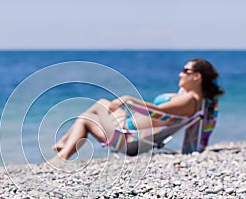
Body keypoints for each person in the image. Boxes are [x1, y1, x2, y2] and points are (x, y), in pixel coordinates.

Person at [51, 58, 224, 161]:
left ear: (197, 76)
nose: (180, 74)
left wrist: (129, 99)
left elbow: (157, 112)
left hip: (129, 140)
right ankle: (63, 149)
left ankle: (62, 154)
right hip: (130, 133)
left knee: (91, 113)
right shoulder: (193, 99)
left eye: (185, 71)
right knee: (90, 112)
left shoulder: (188, 100)